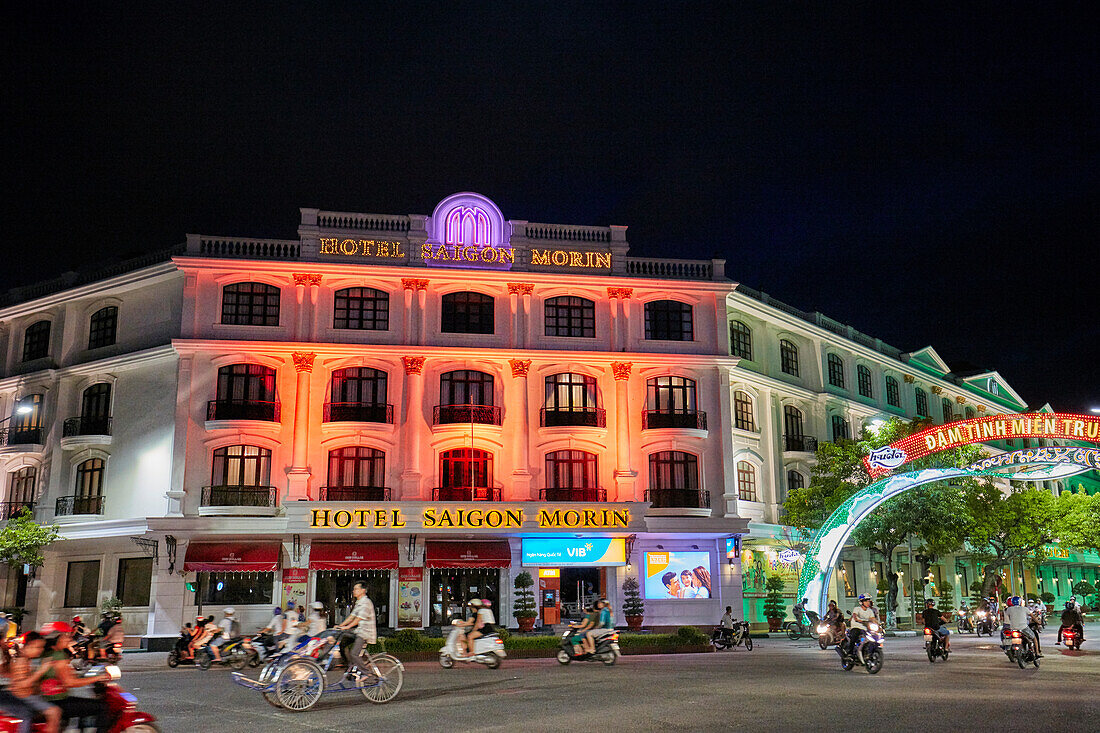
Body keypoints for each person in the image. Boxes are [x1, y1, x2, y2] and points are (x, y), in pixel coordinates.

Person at [38, 624, 112, 733]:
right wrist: (99, 677)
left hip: (47, 699)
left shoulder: (46, 653)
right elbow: (69, 682)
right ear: (58, 637)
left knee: (84, 706)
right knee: (102, 707)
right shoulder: (58, 656)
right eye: (66, 635)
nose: (69, 638)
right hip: (56, 702)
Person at [0, 630, 62, 733]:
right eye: (37, 647)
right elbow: (22, 684)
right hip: (26, 697)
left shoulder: (27, 660)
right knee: (54, 712)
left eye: (41, 647)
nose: (40, 650)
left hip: (27, 696)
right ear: (26, 647)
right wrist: (41, 671)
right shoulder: (21, 662)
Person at [334, 581, 377, 676]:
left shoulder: (366, 602)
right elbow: (352, 616)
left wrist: (347, 627)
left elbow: (358, 619)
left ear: (363, 590)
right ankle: (349, 667)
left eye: (356, 589)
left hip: (365, 633)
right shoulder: (359, 602)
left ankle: (366, 673)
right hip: (358, 631)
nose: (354, 591)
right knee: (342, 642)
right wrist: (340, 626)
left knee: (354, 653)